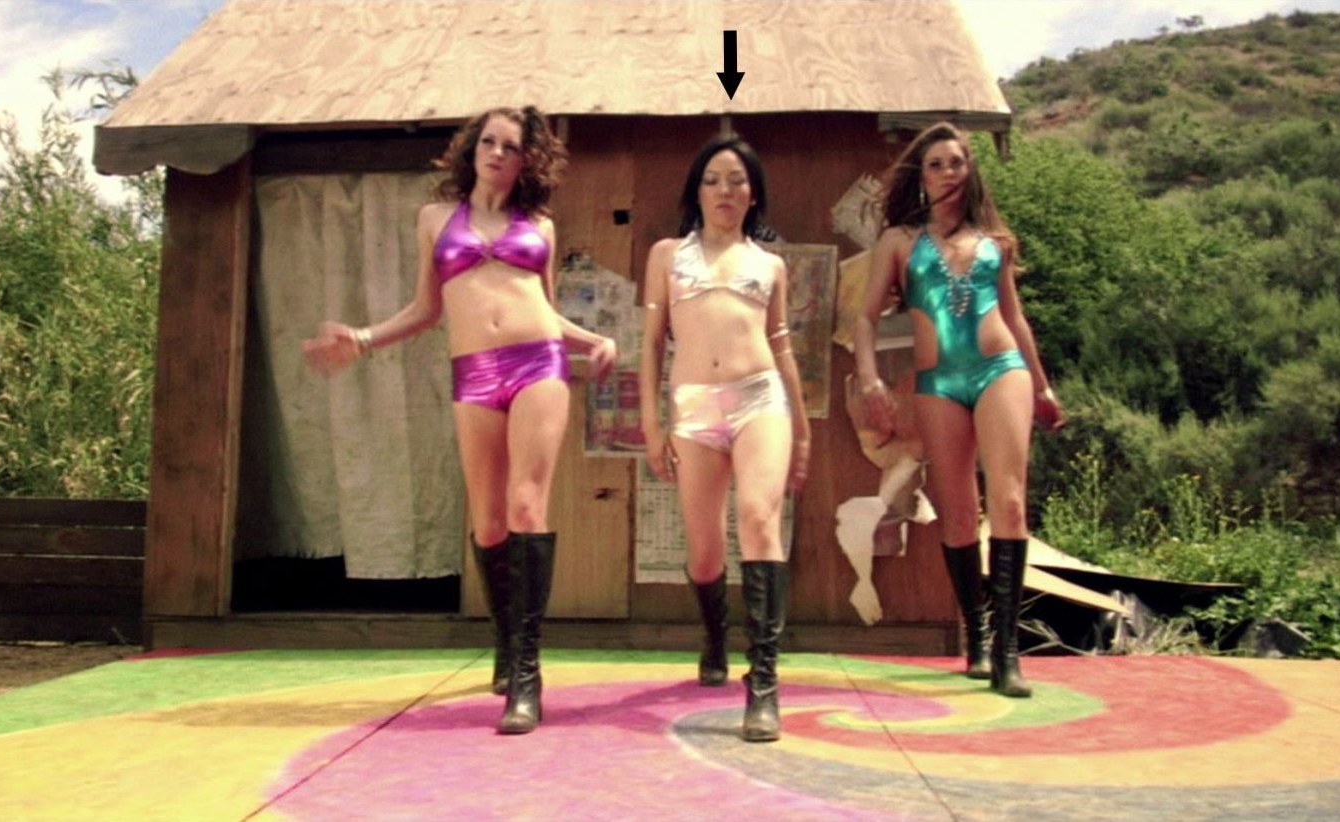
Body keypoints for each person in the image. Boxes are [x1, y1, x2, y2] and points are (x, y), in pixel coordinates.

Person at [302, 106, 616, 734]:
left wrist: (593, 341)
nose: (498, 153)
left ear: (527, 160)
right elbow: (425, 308)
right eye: (489, 142)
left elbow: (545, 309)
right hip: (474, 371)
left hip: (538, 362)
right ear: (472, 150)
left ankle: (526, 675)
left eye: (512, 146)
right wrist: (362, 338)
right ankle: (507, 639)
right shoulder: (435, 219)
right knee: (489, 521)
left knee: (527, 506)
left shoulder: (541, 226)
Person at [850, 122, 1064, 698]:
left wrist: (1042, 387)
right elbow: (866, 318)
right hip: (939, 381)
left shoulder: (995, 241)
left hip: (1001, 370)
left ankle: (1009, 653)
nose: (948, 171)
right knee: (959, 513)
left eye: (957, 162)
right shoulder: (899, 241)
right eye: (937, 163)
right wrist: (869, 378)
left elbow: (1015, 317)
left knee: (1009, 503)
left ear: (971, 172)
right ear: (921, 175)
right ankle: (979, 635)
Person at [638, 136, 810, 742]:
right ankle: (715, 635)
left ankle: (763, 684)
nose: (725, 190)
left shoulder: (770, 264)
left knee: (760, 519)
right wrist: (652, 423)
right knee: (705, 547)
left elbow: (782, 347)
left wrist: (802, 429)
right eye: (713, 179)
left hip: (761, 400)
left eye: (737, 180)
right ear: (697, 190)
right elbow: (651, 344)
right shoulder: (667, 255)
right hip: (694, 409)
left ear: (753, 193)